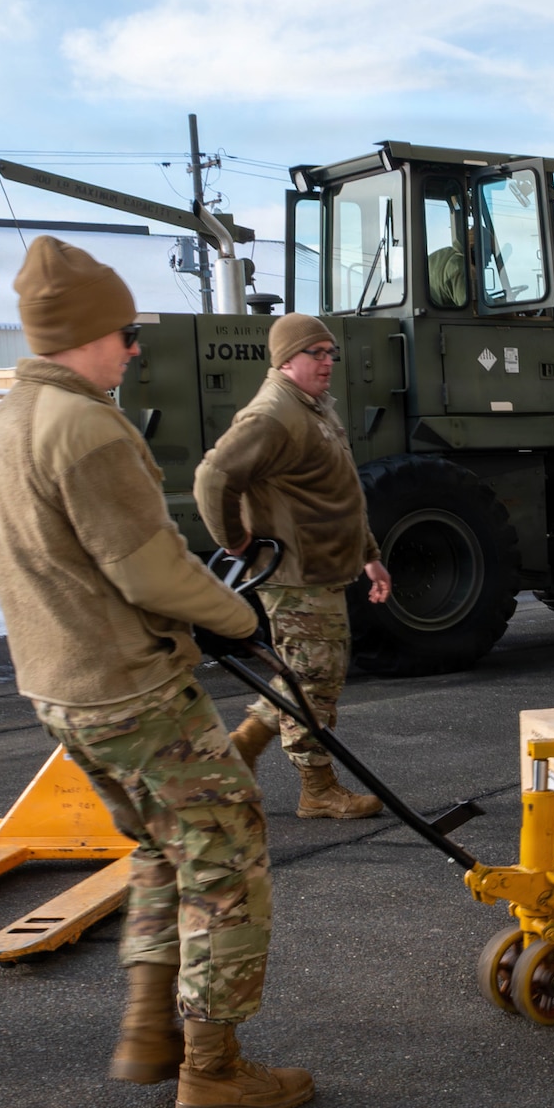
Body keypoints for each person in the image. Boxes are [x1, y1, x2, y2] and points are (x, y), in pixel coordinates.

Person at [0, 235, 311, 1108]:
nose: (132, 348)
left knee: (166, 846)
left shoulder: (6, 422)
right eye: (123, 332)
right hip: (130, 687)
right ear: (83, 334)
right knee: (228, 854)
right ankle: (215, 1068)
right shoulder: (84, 426)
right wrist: (245, 619)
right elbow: (148, 569)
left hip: (59, 689)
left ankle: (149, 1029)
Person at [194, 313, 394, 820]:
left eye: (331, 353)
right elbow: (214, 477)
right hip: (296, 575)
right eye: (316, 354)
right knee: (314, 683)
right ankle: (317, 788)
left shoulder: (314, 407)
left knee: (310, 677)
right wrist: (234, 540)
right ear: (287, 359)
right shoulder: (272, 414)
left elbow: (340, 492)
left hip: (326, 566)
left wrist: (369, 556)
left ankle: (244, 748)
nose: (328, 363)